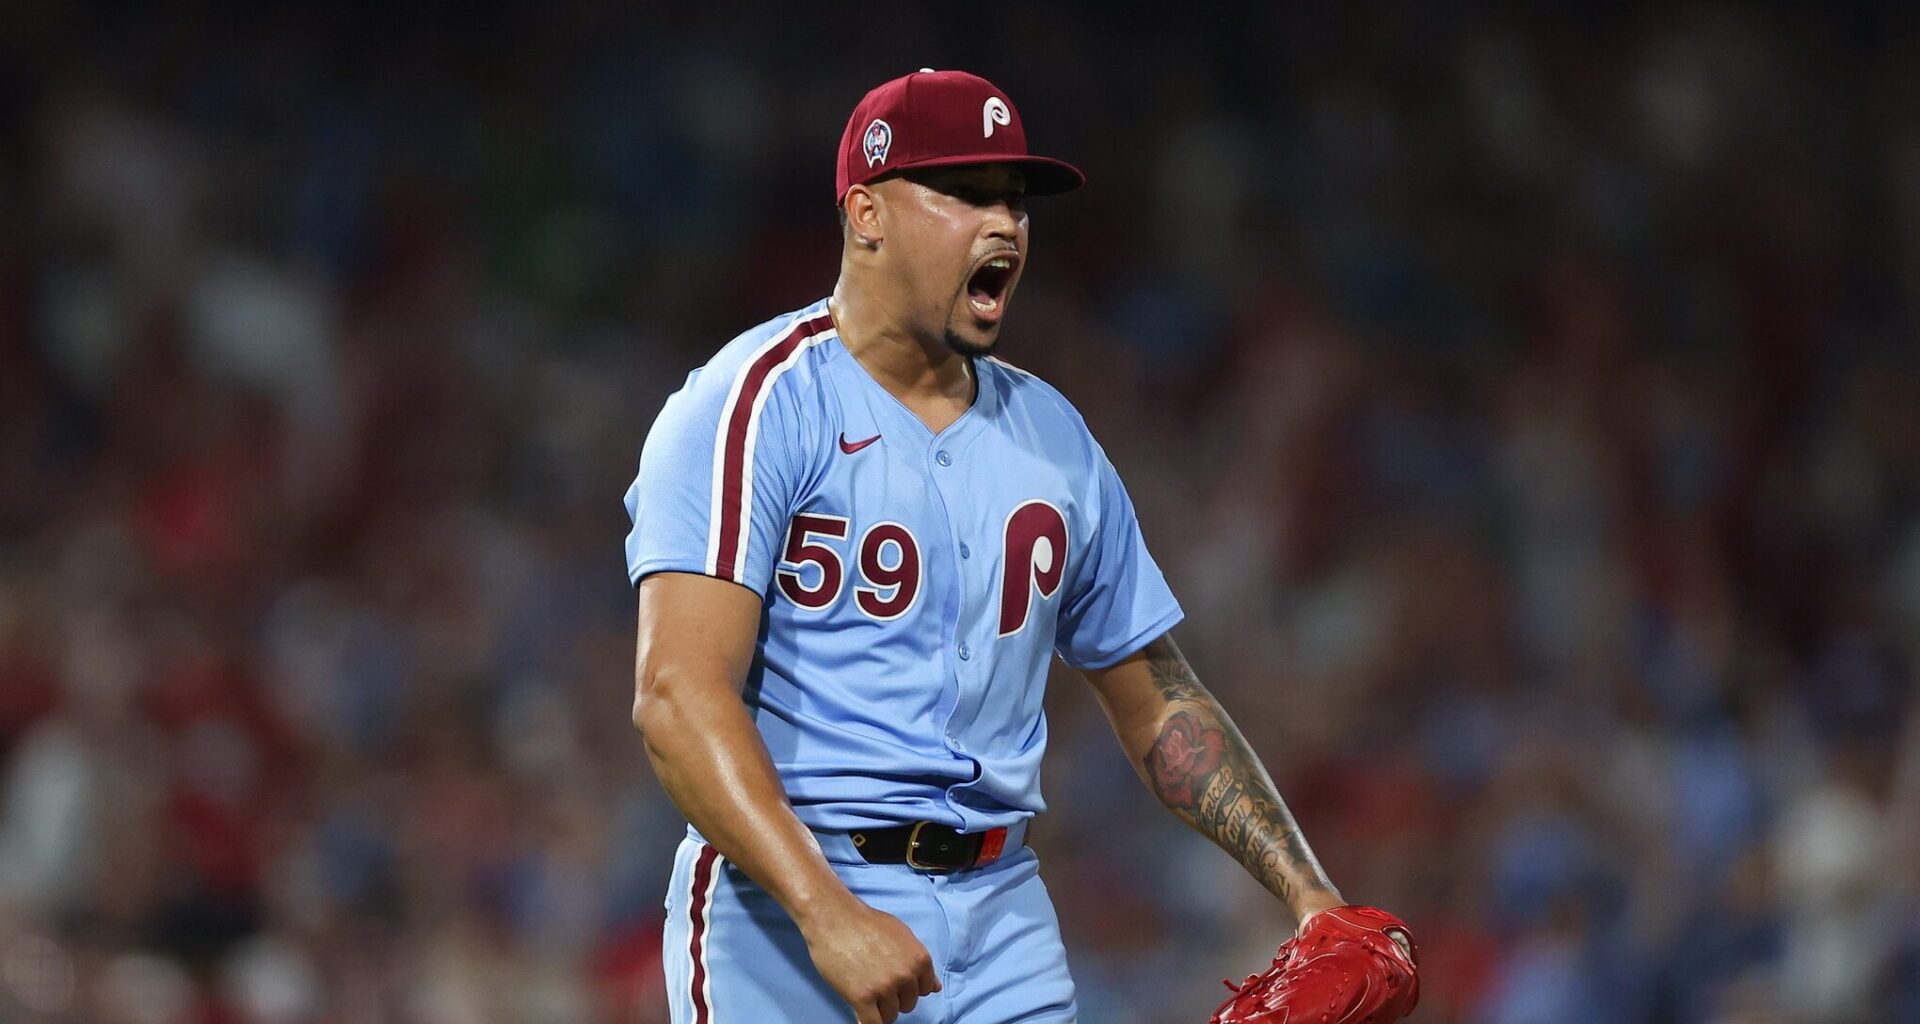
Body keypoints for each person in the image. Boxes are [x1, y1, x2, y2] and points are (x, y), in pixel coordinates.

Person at [624, 69, 1405, 1024]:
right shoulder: (755, 404)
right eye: (964, 193)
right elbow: (676, 694)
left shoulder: (1053, 439)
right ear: (865, 213)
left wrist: (1308, 894)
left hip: (1002, 919)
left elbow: (1158, 701)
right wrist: (827, 912)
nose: (1005, 225)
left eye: (1015, 200)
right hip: (782, 908)